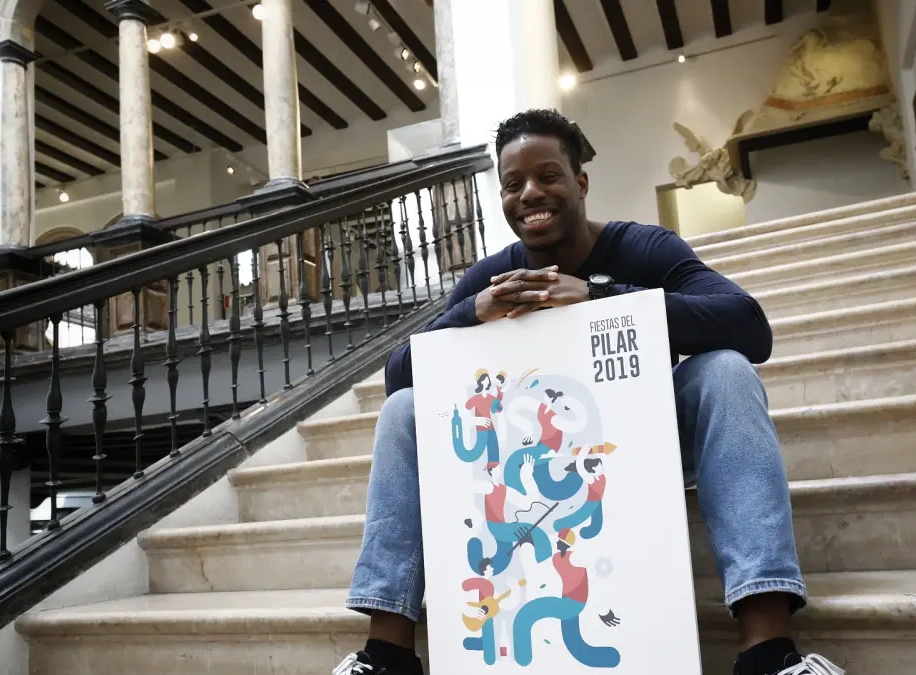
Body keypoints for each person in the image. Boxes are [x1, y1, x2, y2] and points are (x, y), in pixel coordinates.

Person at [332, 109, 844, 675]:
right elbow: (399, 376)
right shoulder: (493, 278)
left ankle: (768, 651)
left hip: (641, 440)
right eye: (513, 183)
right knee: (403, 410)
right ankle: (387, 655)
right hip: (531, 462)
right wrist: (470, 312)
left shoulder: (643, 248)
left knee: (726, 370)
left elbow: (749, 326)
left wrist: (601, 296)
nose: (530, 193)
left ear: (580, 182)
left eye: (548, 176)